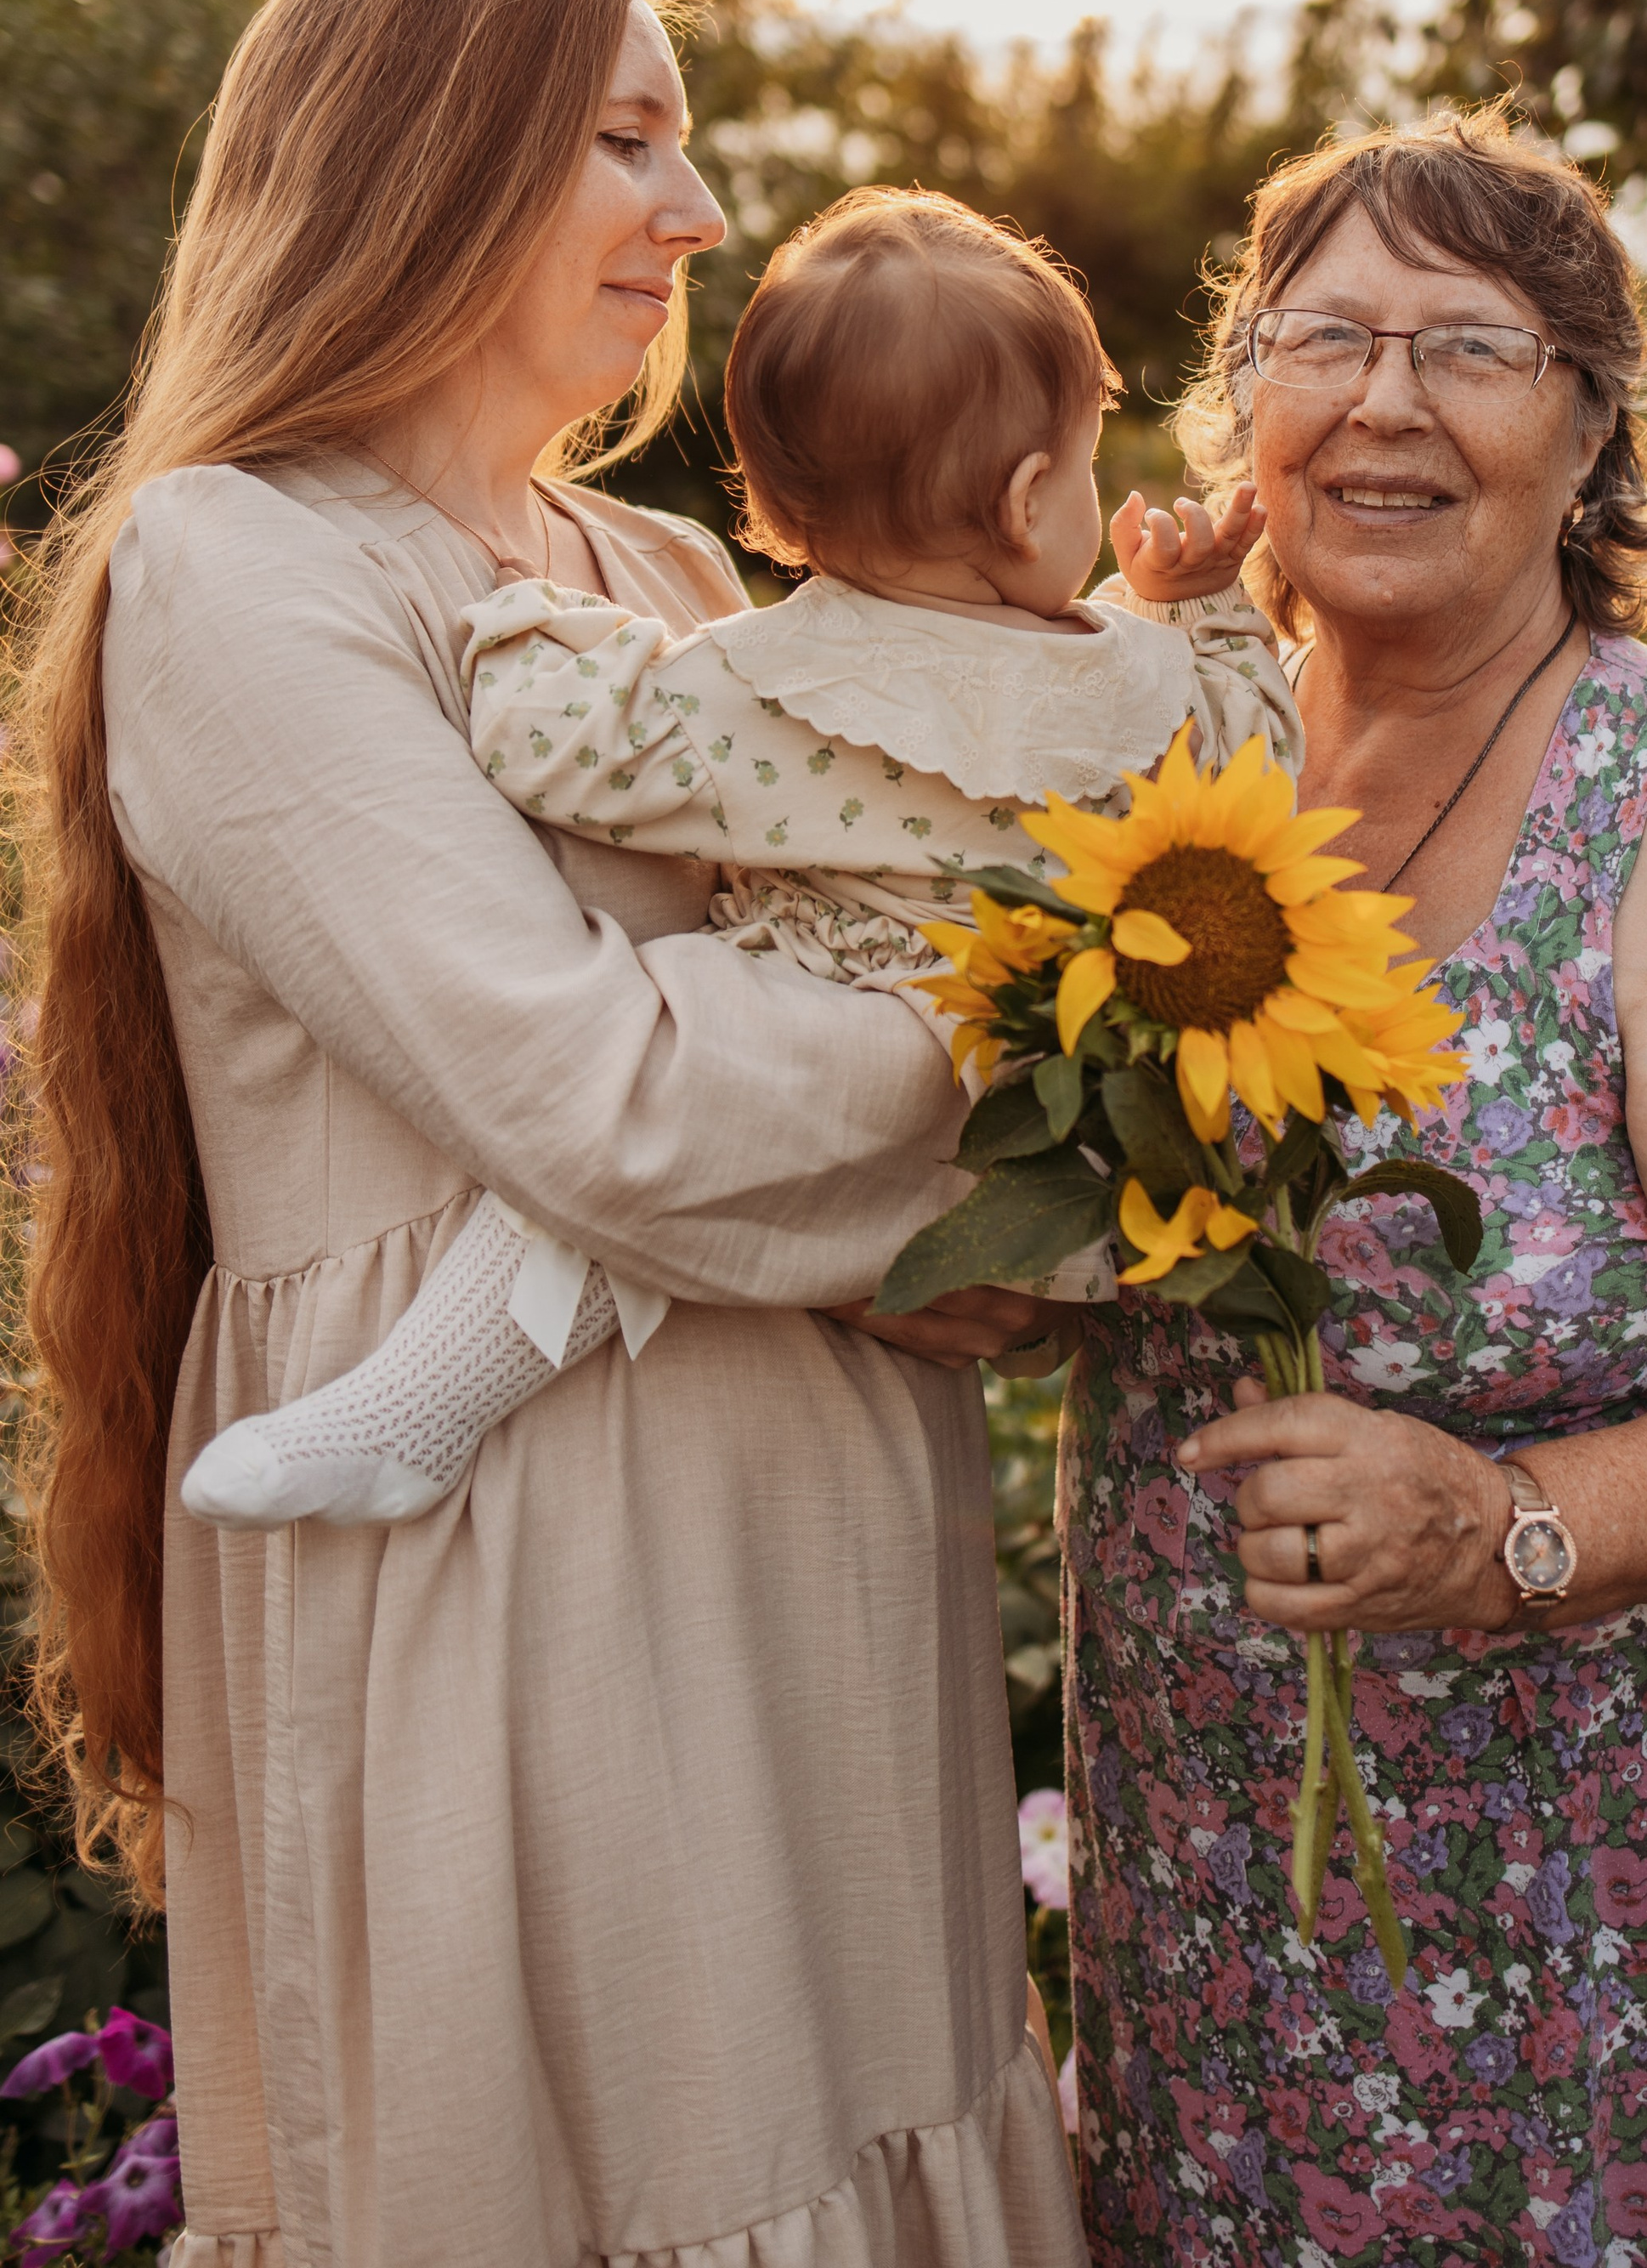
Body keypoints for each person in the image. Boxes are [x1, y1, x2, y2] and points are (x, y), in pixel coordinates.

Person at [9, 0, 1087, 2268]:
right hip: (535, 1567)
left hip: (833, 1572)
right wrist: (1023, 1047)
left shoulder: (674, 571)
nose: (694, 215)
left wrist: (987, 1157)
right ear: (422, 162)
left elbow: (880, 959)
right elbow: (598, 1099)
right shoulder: (243, 567)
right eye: (623, 142)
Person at [1056, 113, 1647, 2267]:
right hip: (1221, 1918)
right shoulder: (1174, 753)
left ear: (1586, 439)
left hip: (1620, 1973)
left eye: (1468, 349)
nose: (1381, 402)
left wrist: (1498, 1530)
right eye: (1322, 339)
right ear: (1246, 405)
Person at [178, 186, 1299, 1533]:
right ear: (1025, 500)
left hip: (816, 1026)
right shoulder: (1133, 681)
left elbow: (560, 748)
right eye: (1087, 457)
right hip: (1043, 1097)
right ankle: (406, 1420)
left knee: (608, 1165)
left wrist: (520, 619)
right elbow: (1260, 764)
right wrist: (1206, 610)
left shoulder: (766, 686)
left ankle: (416, 1407)